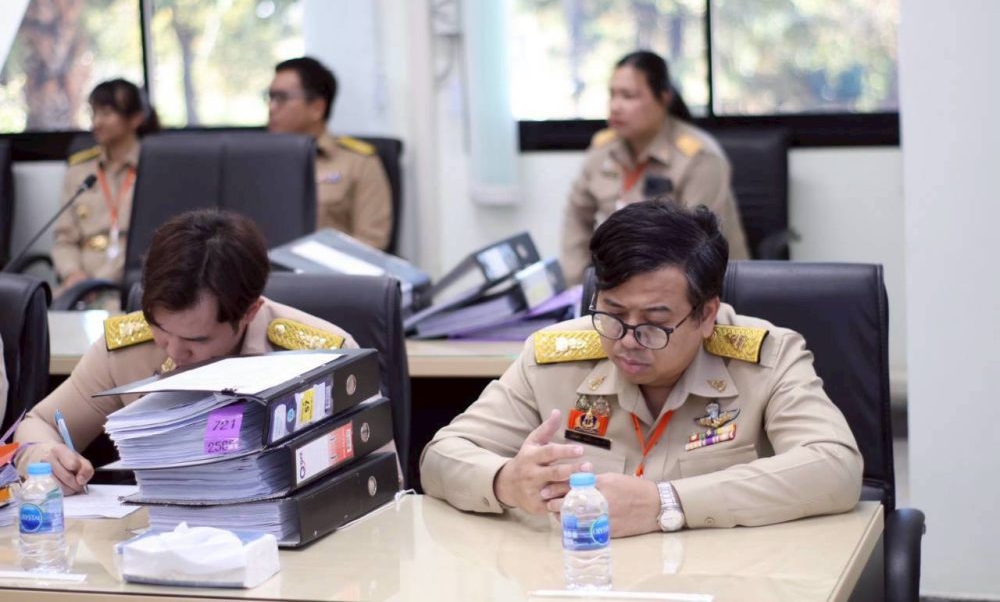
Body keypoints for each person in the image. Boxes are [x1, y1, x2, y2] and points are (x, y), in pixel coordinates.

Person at [421, 199, 861, 536]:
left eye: (654, 322)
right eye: (612, 313)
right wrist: (505, 481)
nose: (627, 340)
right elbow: (441, 456)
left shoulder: (768, 357)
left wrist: (665, 503)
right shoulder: (552, 357)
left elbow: (836, 467)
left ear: (707, 314)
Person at [16, 209, 357, 493]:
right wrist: (44, 456)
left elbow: (372, 477)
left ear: (249, 312)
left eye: (198, 340)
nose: (176, 351)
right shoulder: (127, 349)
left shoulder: (323, 358)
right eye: (161, 329)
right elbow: (38, 424)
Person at [560, 51, 749, 284]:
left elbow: (697, 248)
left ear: (664, 98)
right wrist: (579, 285)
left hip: (699, 287)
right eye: (612, 95)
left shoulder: (699, 157)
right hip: (622, 284)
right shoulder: (602, 149)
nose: (615, 106)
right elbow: (577, 216)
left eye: (628, 96)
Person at [266, 56, 393, 250]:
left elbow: (371, 243)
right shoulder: (258, 163)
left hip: (329, 269)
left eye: (281, 98)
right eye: (270, 98)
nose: (271, 108)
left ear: (316, 108)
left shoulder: (358, 163)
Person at [52, 79, 160, 298]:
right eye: (94, 113)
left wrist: (96, 283)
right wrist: (73, 274)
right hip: (78, 289)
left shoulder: (156, 168)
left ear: (136, 118)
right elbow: (64, 239)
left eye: (107, 113)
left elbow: (152, 242)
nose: (96, 122)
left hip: (133, 286)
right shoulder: (79, 171)